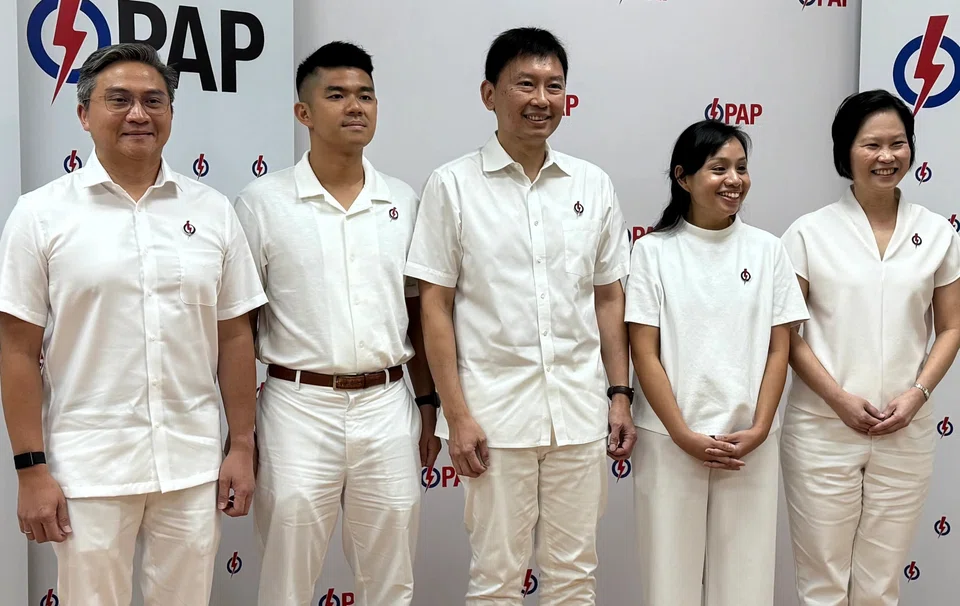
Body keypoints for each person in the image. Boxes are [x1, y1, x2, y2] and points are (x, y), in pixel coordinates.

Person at [0, 43, 265, 606]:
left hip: (192, 464)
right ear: (83, 113)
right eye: (118, 100)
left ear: (171, 112)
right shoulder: (40, 214)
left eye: (154, 100)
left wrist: (240, 445)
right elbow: (17, 349)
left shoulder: (212, 210)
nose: (138, 114)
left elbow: (235, 335)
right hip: (87, 470)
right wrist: (30, 470)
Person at [404, 27, 635, 605]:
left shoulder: (592, 184)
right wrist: (454, 414)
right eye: (525, 84)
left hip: (579, 413)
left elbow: (609, 298)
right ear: (489, 94)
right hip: (493, 417)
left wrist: (620, 394)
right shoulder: (453, 186)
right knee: (496, 579)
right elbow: (435, 305)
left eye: (554, 86)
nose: (541, 99)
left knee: (575, 575)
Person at [233, 41, 441, 606]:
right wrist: (240, 434)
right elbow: (236, 326)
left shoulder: (402, 200)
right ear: (303, 112)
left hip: (387, 404)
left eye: (366, 95)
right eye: (337, 95)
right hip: (298, 406)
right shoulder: (261, 203)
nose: (356, 107)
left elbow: (419, 315)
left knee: (390, 579)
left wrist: (427, 405)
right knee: (287, 579)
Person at [779, 89, 960, 606]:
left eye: (898, 144)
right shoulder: (808, 233)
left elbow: (950, 327)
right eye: (872, 145)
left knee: (880, 584)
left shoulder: (938, 233)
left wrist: (918, 394)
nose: (886, 157)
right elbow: (786, 334)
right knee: (823, 582)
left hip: (905, 429)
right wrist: (838, 399)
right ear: (846, 152)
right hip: (822, 429)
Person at [626, 119, 809, 606]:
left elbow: (780, 348)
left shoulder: (768, 251)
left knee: (746, 585)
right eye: (719, 168)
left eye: (742, 168)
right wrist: (683, 433)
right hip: (670, 441)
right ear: (683, 177)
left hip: (748, 442)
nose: (734, 180)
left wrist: (761, 427)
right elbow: (643, 351)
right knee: (670, 584)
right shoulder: (652, 252)